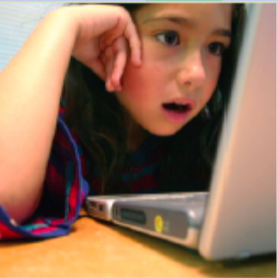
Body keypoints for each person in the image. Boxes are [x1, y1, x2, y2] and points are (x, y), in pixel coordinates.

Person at [0, 3, 245, 240]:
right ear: (109, 34)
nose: (197, 74)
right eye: (169, 37)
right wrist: (62, 23)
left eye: (215, 47)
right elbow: (5, 199)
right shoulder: (54, 119)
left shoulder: (208, 136)